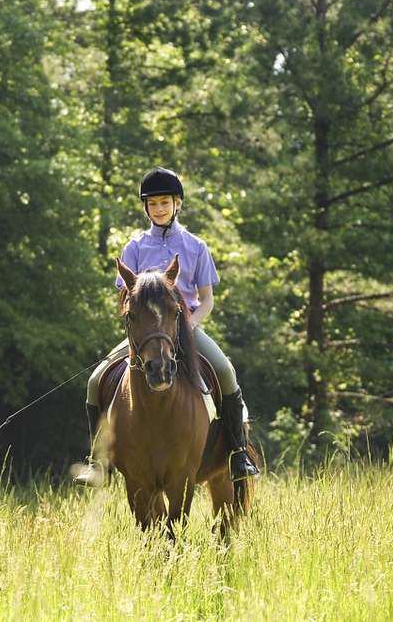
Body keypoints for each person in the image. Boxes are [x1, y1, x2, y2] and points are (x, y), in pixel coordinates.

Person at [74, 166, 261, 485]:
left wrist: (189, 326)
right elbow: (125, 297)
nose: (159, 209)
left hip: (186, 329)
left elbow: (207, 300)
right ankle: (98, 461)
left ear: (177, 204)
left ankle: (237, 453)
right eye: (153, 204)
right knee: (95, 380)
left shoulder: (196, 247)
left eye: (165, 203)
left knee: (226, 373)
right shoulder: (134, 248)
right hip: (146, 336)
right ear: (146, 207)